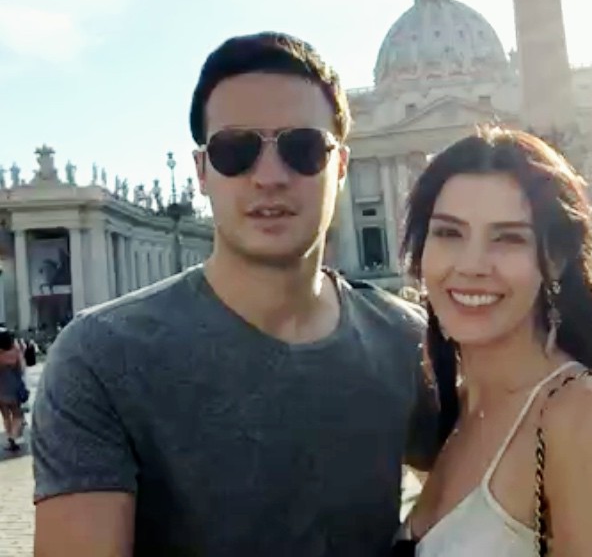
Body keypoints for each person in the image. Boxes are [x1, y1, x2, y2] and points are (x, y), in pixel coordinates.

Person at [32, 31, 437, 557]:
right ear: (202, 172)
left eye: (302, 148)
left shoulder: (408, 341)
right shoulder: (100, 358)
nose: (269, 177)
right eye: (235, 151)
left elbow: (488, 488)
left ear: (341, 167)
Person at [394, 127, 592, 556]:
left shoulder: (580, 413)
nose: (472, 265)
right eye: (449, 233)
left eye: (508, 238)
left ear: (556, 260)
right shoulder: (455, 409)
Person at [0, 327, 27, 451]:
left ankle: (10, 438)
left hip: (1, 389)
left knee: (5, 416)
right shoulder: (15, 352)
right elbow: (22, 369)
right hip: (14, 388)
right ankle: (14, 436)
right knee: (17, 415)